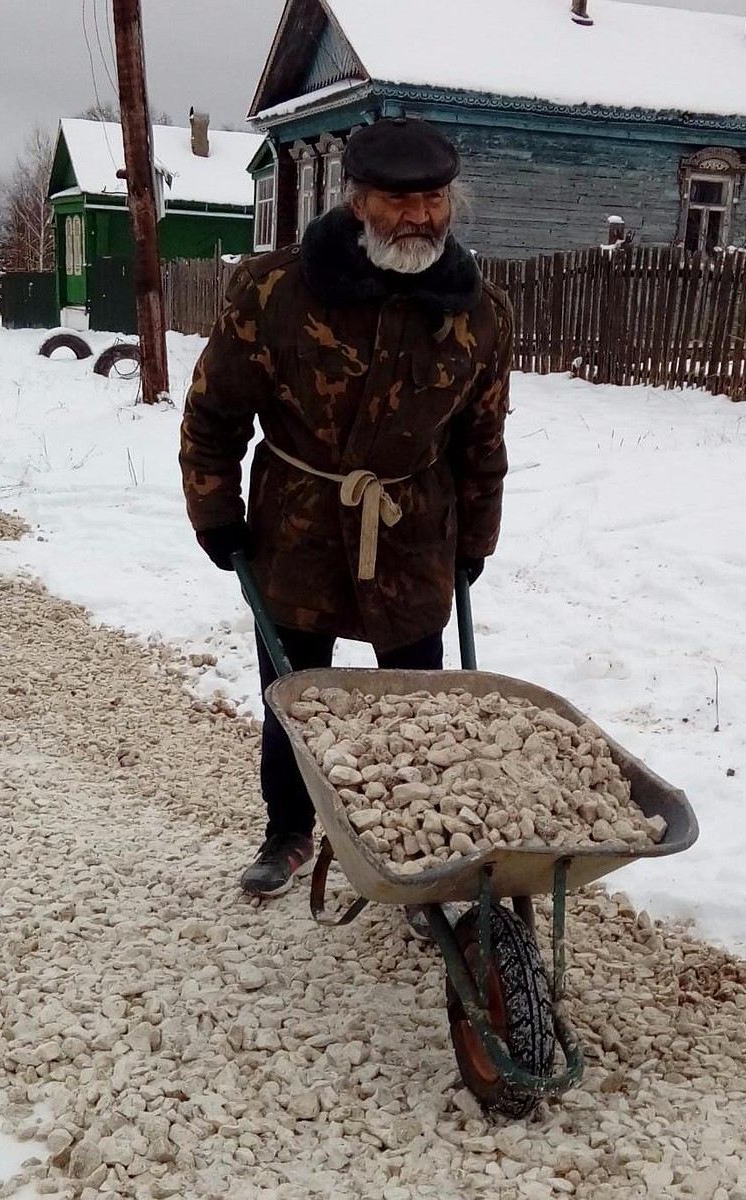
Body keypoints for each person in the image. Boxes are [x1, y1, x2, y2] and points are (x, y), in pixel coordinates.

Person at [179, 117, 514, 897]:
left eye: (432, 199)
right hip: (298, 524)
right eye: (398, 201)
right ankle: (289, 830)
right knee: (296, 694)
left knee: (420, 706)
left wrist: (478, 536)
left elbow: (482, 436)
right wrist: (216, 513)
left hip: (414, 529)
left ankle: (419, 845)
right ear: (357, 200)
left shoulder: (478, 312)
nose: (417, 217)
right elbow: (214, 414)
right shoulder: (274, 290)